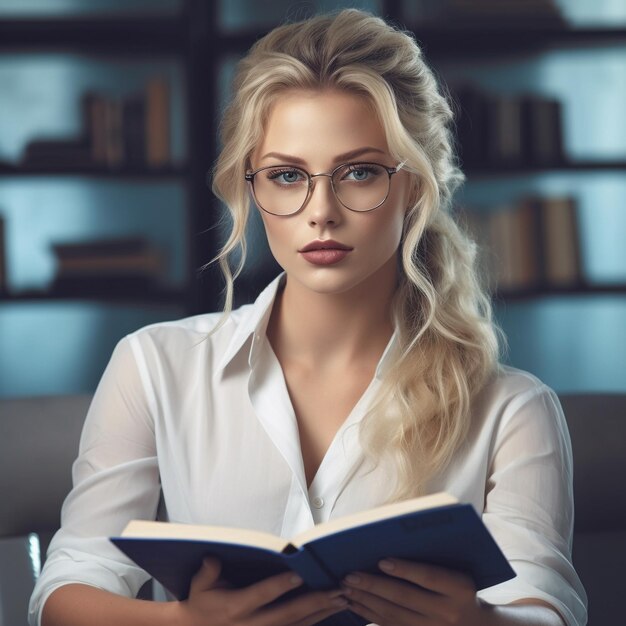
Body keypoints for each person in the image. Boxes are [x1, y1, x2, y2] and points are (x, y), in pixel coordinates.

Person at [29, 9, 587, 626]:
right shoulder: (154, 366)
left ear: (415, 189)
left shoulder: (512, 409)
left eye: (360, 172)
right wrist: (184, 624)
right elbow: (65, 591)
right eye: (287, 175)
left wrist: (478, 624)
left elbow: (545, 609)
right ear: (251, 188)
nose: (321, 211)